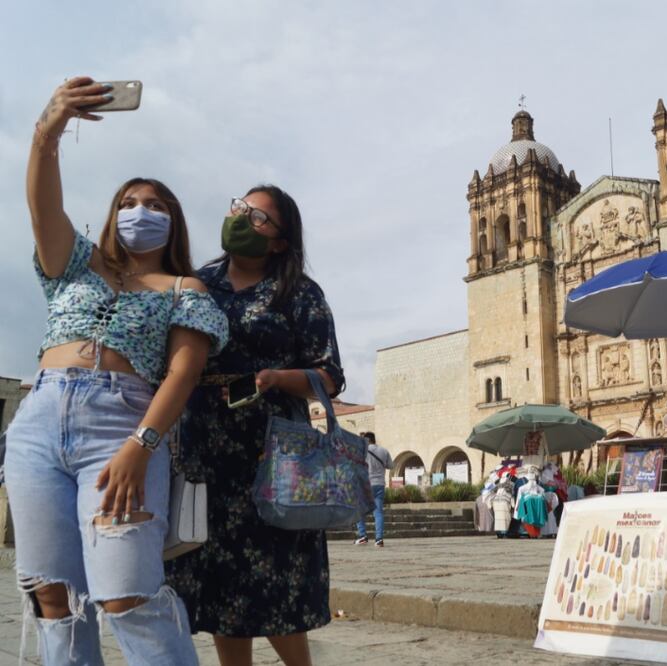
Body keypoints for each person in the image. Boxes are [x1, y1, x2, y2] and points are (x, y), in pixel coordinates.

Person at [5, 77, 227, 664]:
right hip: (37, 424)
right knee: (53, 594)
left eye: (155, 205)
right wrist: (47, 133)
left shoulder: (185, 287)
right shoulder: (74, 263)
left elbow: (183, 371)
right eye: (128, 202)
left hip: (121, 425)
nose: (140, 212)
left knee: (127, 595)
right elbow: (41, 206)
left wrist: (141, 445)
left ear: (173, 220)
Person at [165, 185, 345, 666]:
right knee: (222, 586)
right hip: (205, 451)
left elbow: (329, 374)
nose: (242, 218)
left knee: (277, 580)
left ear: (281, 241)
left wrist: (276, 378)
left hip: (274, 454)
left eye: (258, 217)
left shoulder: (299, 292)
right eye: (239, 207)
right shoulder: (198, 282)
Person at [354, 432, 392, 546]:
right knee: (378, 512)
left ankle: (362, 536)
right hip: (379, 484)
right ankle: (379, 539)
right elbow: (391, 466)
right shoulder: (384, 451)